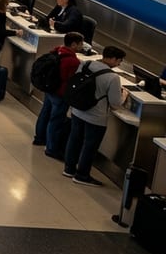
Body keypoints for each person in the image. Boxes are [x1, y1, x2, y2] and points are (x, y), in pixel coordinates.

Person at [63, 46, 128, 187]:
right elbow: (115, 103)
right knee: (89, 146)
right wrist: (123, 96)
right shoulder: (113, 77)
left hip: (78, 110)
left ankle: (69, 169)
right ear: (112, 59)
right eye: (119, 60)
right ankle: (82, 175)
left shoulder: (86, 64)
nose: (119, 64)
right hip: (96, 117)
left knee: (74, 139)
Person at [33, 32, 85, 161]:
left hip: (50, 89)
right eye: (81, 43)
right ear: (73, 44)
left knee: (45, 113)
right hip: (60, 94)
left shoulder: (57, 51)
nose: (83, 46)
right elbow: (71, 79)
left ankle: (39, 138)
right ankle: (51, 148)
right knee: (56, 121)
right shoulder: (73, 61)